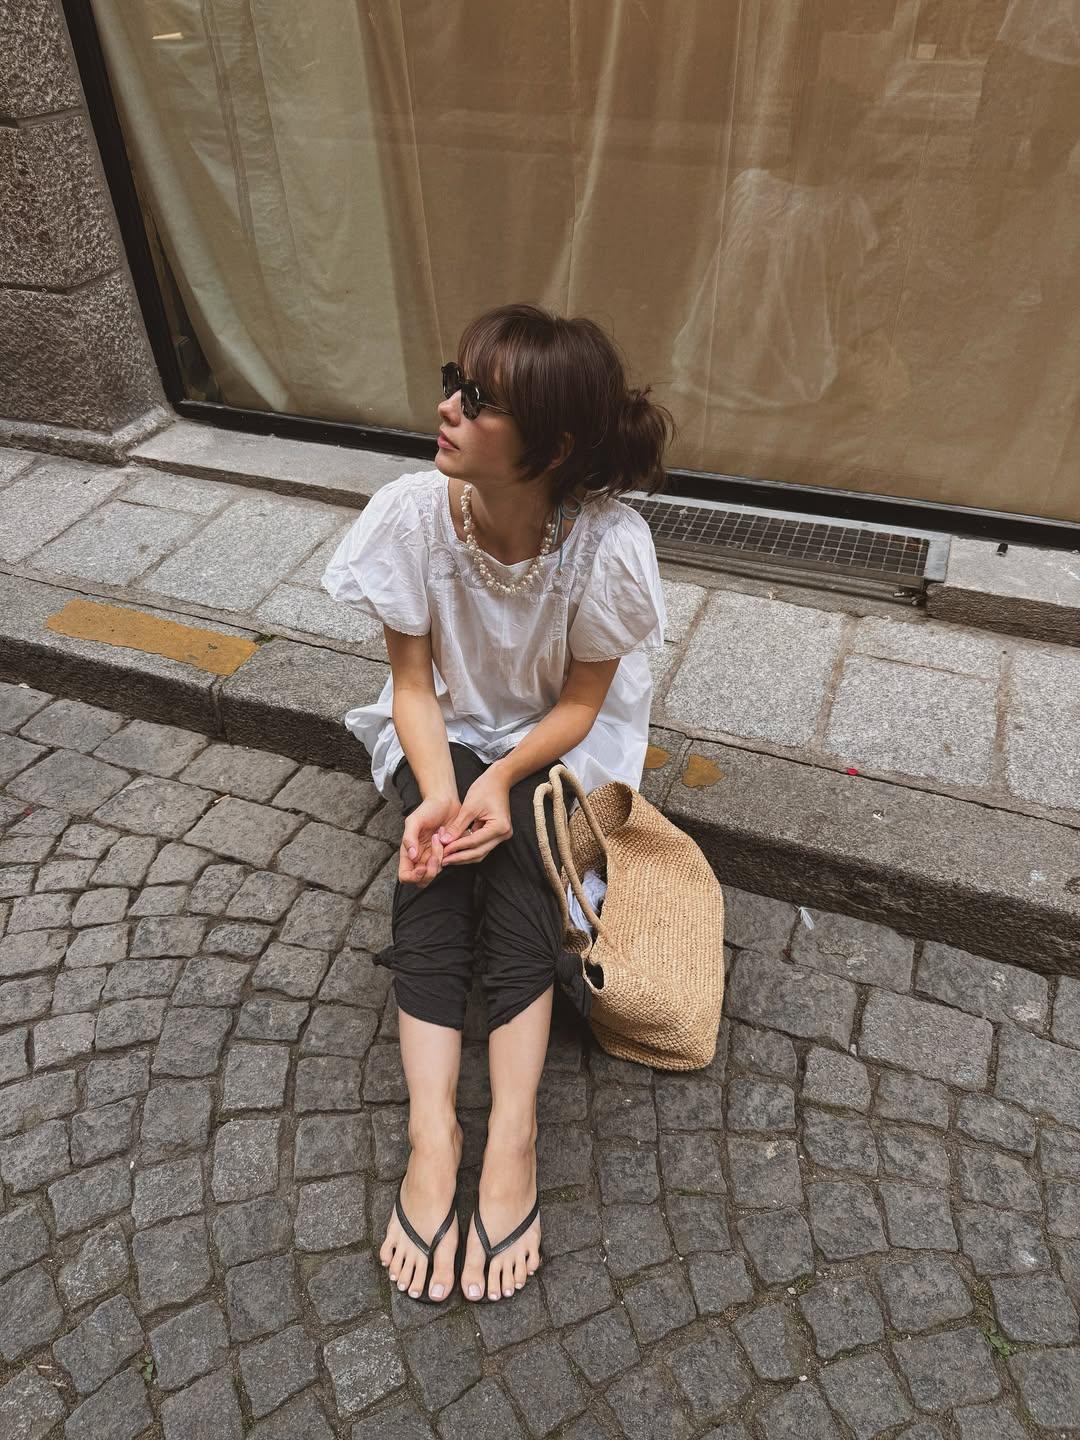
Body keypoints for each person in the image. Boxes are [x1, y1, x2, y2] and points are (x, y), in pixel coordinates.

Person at [322, 302, 672, 1306]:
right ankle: (434, 1132)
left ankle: (512, 1134)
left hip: (557, 746)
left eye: (479, 400)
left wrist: (500, 783)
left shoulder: (607, 544)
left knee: (518, 869)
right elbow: (411, 688)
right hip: (443, 732)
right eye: (454, 382)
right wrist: (441, 792)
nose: (447, 408)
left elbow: (580, 707)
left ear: (550, 447)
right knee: (432, 867)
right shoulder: (410, 513)